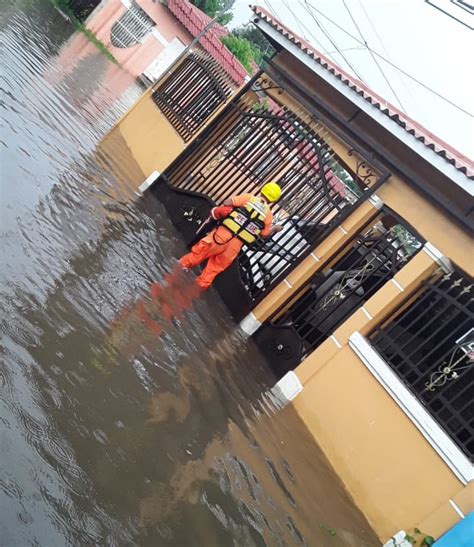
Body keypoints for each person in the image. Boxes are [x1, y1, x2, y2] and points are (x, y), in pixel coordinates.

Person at [179, 182, 283, 289]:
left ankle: (177, 270)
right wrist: (275, 228)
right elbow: (264, 234)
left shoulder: (248, 198)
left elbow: (227, 202)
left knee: (198, 254)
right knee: (213, 270)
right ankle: (196, 289)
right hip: (234, 247)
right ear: (274, 200)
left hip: (220, 236)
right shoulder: (268, 215)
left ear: (262, 189)